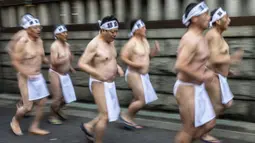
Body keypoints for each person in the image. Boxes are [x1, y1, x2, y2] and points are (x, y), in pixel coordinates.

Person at [173, 1, 217, 143]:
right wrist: (202, 76)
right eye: (205, 14)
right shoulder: (190, 39)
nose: (209, 18)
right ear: (194, 18)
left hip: (198, 87)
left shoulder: (200, 37)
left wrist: (208, 72)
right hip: (186, 87)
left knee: (209, 123)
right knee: (189, 129)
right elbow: (180, 65)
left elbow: (198, 62)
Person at [78, 15, 124, 143]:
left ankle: (89, 126)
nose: (115, 34)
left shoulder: (111, 41)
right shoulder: (94, 45)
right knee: (105, 116)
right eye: (112, 32)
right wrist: (97, 74)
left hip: (109, 82)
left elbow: (110, 57)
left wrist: (117, 67)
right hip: (98, 82)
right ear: (103, 30)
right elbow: (81, 63)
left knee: (109, 112)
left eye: (116, 31)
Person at [202, 7, 244, 142]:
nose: (229, 20)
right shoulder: (213, 35)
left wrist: (227, 70)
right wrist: (233, 58)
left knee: (226, 103)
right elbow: (213, 59)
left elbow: (217, 56)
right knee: (219, 105)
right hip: (211, 75)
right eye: (227, 18)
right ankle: (203, 133)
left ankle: (200, 128)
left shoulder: (218, 35)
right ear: (218, 21)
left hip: (219, 76)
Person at [9, 16, 50, 136]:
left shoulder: (40, 41)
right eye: (35, 27)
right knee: (27, 107)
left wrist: (49, 62)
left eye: (39, 27)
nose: (38, 30)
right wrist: (27, 72)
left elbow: (41, 57)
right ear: (28, 29)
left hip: (38, 76)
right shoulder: (22, 42)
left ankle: (34, 126)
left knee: (42, 101)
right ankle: (15, 121)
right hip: (25, 77)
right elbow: (15, 62)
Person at [119, 19, 160, 129]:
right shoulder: (131, 43)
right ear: (136, 30)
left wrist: (154, 51)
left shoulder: (144, 40)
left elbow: (147, 57)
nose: (145, 29)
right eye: (143, 27)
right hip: (133, 74)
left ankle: (129, 119)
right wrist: (135, 64)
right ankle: (126, 116)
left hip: (143, 75)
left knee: (138, 99)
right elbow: (123, 57)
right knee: (141, 100)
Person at [48, 25, 76, 125]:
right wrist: (66, 58)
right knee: (57, 98)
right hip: (55, 73)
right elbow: (54, 62)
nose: (66, 34)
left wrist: (70, 67)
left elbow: (69, 58)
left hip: (65, 74)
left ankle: (58, 110)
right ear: (57, 35)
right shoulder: (54, 46)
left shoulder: (67, 45)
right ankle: (52, 116)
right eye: (63, 33)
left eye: (66, 32)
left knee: (66, 98)